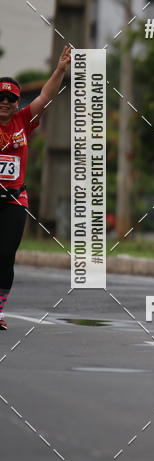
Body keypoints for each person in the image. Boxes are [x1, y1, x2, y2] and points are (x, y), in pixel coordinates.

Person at [0, 45, 72, 330]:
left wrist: (60, 70)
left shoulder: (24, 120)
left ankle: (0, 310)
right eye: (1, 96)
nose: (5, 102)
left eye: (10, 98)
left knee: (5, 254)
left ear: (17, 103)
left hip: (14, 201)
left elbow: (46, 95)